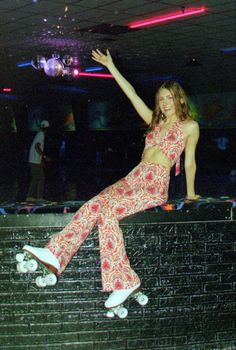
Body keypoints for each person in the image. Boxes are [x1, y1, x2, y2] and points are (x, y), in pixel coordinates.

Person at [21, 49, 200, 310]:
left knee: (107, 211)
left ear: (179, 100)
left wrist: (192, 194)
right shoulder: (153, 120)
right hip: (133, 177)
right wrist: (111, 66)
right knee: (94, 204)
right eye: (161, 99)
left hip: (153, 184)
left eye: (169, 98)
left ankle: (124, 280)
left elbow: (190, 162)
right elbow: (131, 94)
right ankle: (56, 254)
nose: (164, 103)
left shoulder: (189, 127)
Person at [26, 120, 50, 202]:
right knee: (40, 178)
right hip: (34, 160)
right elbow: (37, 147)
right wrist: (44, 156)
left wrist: (41, 161)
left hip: (34, 160)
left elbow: (36, 148)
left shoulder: (39, 134)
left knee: (36, 178)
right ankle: (38, 197)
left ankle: (30, 196)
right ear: (47, 128)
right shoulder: (41, 135)